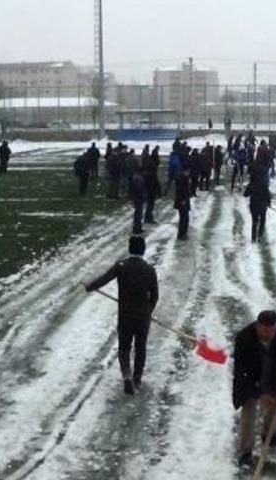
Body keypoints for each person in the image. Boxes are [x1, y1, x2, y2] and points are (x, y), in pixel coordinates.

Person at [85, 236, 159, 395]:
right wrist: (148, 311)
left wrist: (90, 287)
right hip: (142, 317)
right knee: (140, 348)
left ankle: (127, 376)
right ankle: (137, 380)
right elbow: (155, 296)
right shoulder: (150, 270)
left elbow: (103, 279)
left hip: (125, 314)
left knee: (124, 348)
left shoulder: (121, 266)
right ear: (143, 250)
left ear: (129, 249)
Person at [233, 310, 276, 469]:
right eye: (263, 330)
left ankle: (270, 434)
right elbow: (240, 373)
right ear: (257, 326)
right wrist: (259, 394)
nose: (268, 334)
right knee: (250, 413)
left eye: (272, 330)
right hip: (250, 377)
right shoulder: (243, 338)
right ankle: (245, 452)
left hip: (272, 373)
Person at [245, 174, 271, 243]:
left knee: (254, 222)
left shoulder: (251, 185)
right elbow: (268, 194)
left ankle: (253, 238)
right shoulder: (264, 184)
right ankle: (260, 236)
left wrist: (248, 189)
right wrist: (268, 203)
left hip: (254, 206)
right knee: (262, 221)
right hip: (262, 206)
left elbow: (245, 194)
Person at [143, 147, 162, 224]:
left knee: (149, 204)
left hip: (147, 187)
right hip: (151, 188)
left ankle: (148, 217)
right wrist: (158, 190)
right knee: (150, 204)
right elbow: (155, 180)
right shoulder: (152, 168)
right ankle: (148, 218)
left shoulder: (148, 164)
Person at [174, 165, 191, 240]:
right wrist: (183, 200)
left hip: (182, 201)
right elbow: (181, 191)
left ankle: (181, 234)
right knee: (184, 219)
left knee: (183, 218)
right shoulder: (182, 179)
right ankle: (182, 234)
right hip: (182, 201)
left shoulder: (182, 178)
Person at [129, 167, 146, 234]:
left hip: (135, 197)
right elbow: (140, 188)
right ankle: (137, 228)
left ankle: (137, 227)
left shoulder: (135, 177)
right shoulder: (139, 178)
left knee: (137, 212)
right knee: (139, 213)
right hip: (138, 197)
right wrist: (143, 195)